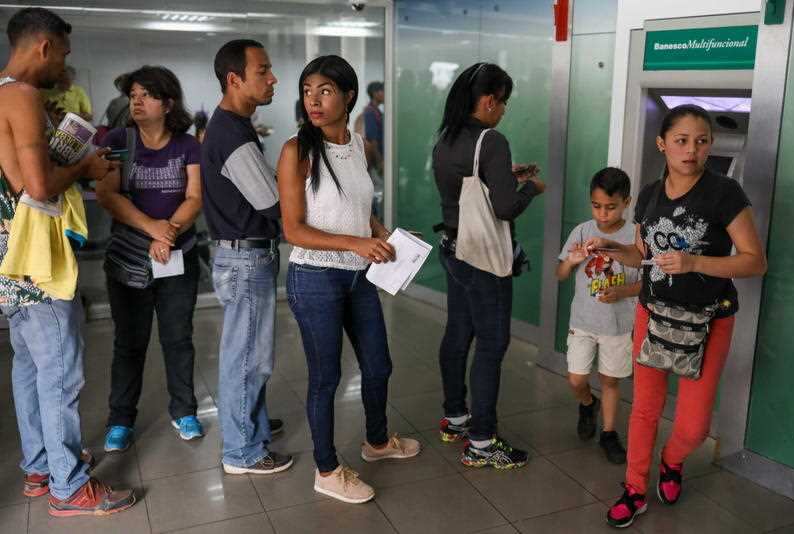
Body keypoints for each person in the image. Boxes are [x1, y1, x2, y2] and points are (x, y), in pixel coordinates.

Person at [588, 105, 767, 529]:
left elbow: (754, 262)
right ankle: (634, 489)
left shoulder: (724, 194)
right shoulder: (649, 194)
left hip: (708, 321)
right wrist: (611, 249)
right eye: (682, 140)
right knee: (645, 409)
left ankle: (672, 461)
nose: (692, 150)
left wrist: (695, 263)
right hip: (653, 315)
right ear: (662, 143)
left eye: (702, 141)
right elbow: (642, 255)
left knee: (694, 424)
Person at [0, 7, 135, 516]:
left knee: (30, 368)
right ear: (44, 47)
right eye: (65, 52)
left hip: (8, 258)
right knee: (59, 373)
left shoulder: (0, 91)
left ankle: (41, 467)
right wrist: (86, 165)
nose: (65, 64)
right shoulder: (24, 96)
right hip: (37, 258)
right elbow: (36, 186)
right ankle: (71, 487)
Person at [277, 55, 420, 505]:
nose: (314, 101)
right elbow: (294, 229)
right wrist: (355, 244)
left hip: (358, 278)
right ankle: (326, 469)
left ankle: (376, 442)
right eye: (307, 91)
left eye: (325, 90)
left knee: (378, 364)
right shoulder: (295, 150)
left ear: (348, 95)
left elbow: (359, 206)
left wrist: (379, 232)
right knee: (326, 377)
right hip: (315, 277)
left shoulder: (356, 144)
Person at [432, 62, 545, 468]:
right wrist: (530, 188)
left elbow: (465, 188)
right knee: (493, 342)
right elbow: (504, 206)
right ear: (488, 100)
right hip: (483, 256)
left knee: (459, 331)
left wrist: (505, 175)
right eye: (504, 102)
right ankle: (482, 443)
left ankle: (456, 418)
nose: (503, 110)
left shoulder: (445, 138)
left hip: (453, 247)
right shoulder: (492, 139)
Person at [95, 66, 204, 452]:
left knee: (178, 338)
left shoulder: (187, 145)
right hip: (128, 257)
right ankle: (121, 420)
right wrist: (152, 230)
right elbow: (109, 195)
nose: (136, 101)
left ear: (168, 102)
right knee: (129, 342)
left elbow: (194, 198)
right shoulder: (119, 139)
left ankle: (185, 411)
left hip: (179, 255)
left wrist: (169, 231)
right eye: (134, 95)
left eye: (147, 95)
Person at [201, 39, 290, 475]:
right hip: (245, 259)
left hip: (242, 256)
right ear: (234, 79)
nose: (273, 79)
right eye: (263, 71)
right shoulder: (232, 133)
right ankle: (241, 451)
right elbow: (272, 204)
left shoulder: (232, 125)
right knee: (248, 358)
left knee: (248, 354)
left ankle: (249, 426)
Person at [555, 167, 640, 465]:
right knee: (577, 379)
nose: (603, 214)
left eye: (611, 207)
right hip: (583, 321)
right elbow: (561, 273)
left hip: (618, 325)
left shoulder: (636, 235)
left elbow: (647, 283)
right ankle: (588, 404)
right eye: (596, 206)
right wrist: (572, 261)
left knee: (610, 380)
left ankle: (608, 433)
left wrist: (623, 292)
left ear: (626, 202)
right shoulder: (581, 231)